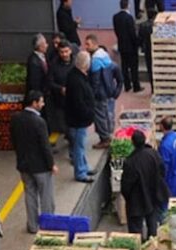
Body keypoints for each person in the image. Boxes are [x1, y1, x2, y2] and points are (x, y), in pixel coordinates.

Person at [11, 90, 57, 233]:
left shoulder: (16, 118)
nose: (43, 104)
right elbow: (45, 146)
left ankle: (32, 225)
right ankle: (48, 225)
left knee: (30, 195)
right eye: (41, 102)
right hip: (41, 167)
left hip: (24, 165)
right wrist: (51, 164)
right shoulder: (39, 122)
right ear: (34, 103)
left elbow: (14, 141)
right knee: (46, 197)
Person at [121, 131, 170, 239]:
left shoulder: (130, 161)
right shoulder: (154, 154)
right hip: (154, 195)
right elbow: (162, 170)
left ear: (133, 143)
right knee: (152, 223)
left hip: (137, 200)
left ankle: (138, 246)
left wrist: (128, 197)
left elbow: (126, 185)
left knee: (135, 229)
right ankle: (152, 244)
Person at [86, 34, 123, 148]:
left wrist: (91, 96)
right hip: (109, 92)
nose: (86, 47)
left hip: (100, 95)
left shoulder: (96, 60)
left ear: (95, 44)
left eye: (88, 44)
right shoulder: (105, 56)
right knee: (107, 114)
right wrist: (116, 91)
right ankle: (108, 134)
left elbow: (95, 81)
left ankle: (105, 139)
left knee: (100, 117)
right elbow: (117, 73)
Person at [65, 51, 96, 183]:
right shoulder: (76, 81)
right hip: (78, 121)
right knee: (78, 147)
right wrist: (89, 113)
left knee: (80, 146)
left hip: (78, 120)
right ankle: (80, 172)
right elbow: (79, 103)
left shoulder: (75, 76)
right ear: (86, 65)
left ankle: (84, 166)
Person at [113, 0, 142, 93]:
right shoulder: (129, 18)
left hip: (121, 44)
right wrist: (137, 43)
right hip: (131, 46)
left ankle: (127, 85)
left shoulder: (115, 17)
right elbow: (132, 33)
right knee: (134, 67)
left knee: (124, 66)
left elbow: (116, 31)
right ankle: (136, 86)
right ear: (128, 5)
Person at [48, 40, 74, 140]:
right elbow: (50, 82)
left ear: (70, 50)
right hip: (60, 100)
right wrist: (60, 89)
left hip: (74, 99)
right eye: (62, 52)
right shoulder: (54, 65)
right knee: (63, 123)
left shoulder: (75, 63)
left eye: (66, 51)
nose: (64, 54)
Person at [158, 117, 176, 197]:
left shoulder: (165, 145)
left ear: (162, 126)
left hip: (172, 178)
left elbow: (165, 166)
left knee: (172, 200)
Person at [138, 10, 154, 89]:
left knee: (149, 68)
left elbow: (140, 38)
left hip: (147, 49)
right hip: (155, 49)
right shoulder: (156, 26)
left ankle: (152, 86)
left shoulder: (142, 25)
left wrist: (141, 47)